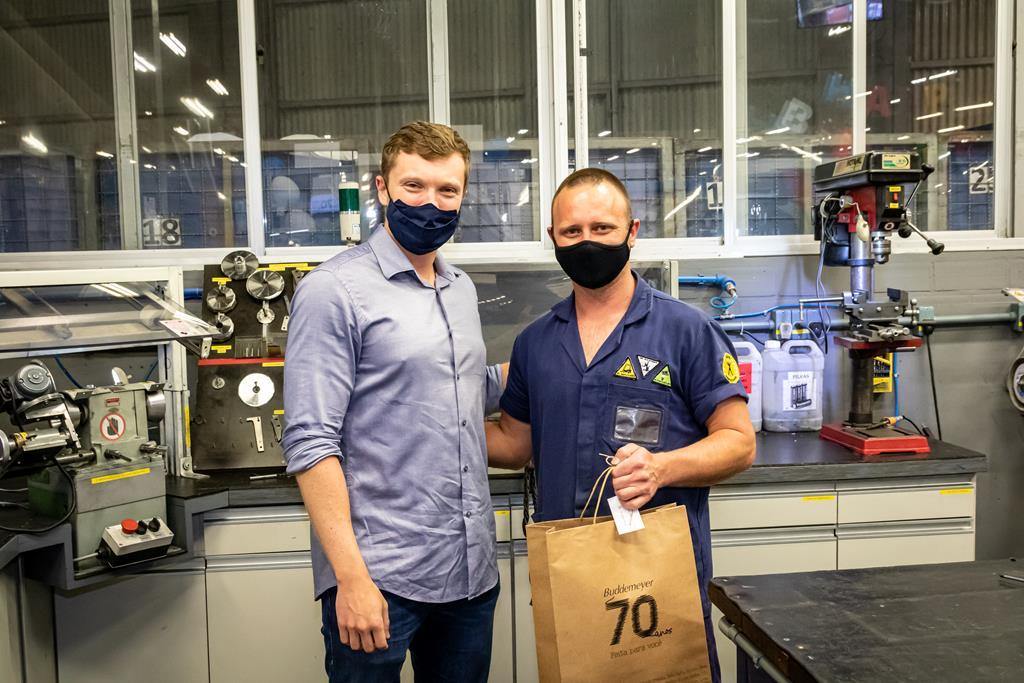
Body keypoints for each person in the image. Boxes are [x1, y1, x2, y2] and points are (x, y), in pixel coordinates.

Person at [486, 167, 756, 683]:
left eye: (602, 229)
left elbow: (739, 443)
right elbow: (514, 444)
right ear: (553, 238)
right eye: (572, 231)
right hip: (570, 576)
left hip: (657, 578)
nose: (587, 242)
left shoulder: (687, 330)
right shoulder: (535, 343)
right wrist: (427, 426)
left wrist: (662, 468)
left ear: (632, 232)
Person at [283, 121, 503, 682]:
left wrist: (555, 365)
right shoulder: (334, 290)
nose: (431, 202)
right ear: (382, 188)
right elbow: (310, 441)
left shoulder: (459, 287)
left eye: (447, 190)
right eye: (414, 186)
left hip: (469, 574)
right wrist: (351, 578)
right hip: (380, 576)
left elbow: (462, 388)